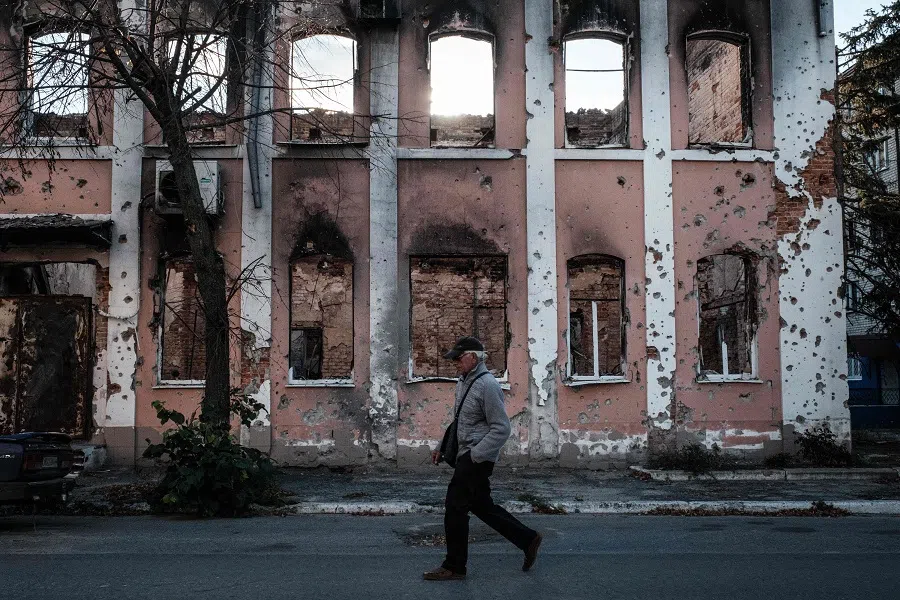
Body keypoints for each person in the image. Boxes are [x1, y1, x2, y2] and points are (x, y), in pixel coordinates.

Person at [423, 336, 542, 581]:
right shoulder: (464, 382)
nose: (455, 362)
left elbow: (501, 428)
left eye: (458, 357)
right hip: (468, 454)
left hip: (476, 457)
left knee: (455, 507)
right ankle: (527, 539)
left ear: (474, 357)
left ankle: (454, 566)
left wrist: (476, 455)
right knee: (481, 506)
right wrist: (442, 446)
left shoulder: (488, 385)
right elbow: (460, 421)